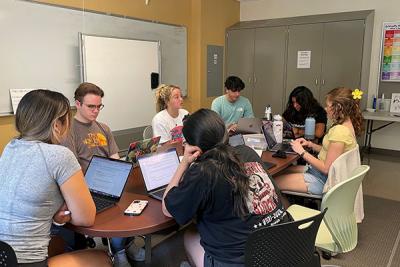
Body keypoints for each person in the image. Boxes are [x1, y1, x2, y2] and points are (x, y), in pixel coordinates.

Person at [162, 109, 291, 266]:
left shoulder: (203, 171)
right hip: (286, 250)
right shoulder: (247, 152)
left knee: (190, 235)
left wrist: (184, 163)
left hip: (244, 261)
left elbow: (167, 209)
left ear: (194, 146)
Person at [0, 89, 111, 267]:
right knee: (104, 258)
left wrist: (54, 214)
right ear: (56, 125)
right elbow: (86, 218)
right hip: (27, 262)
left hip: (3, 257)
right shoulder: (59, 155)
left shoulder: (10, 147)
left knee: (60, 243)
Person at [61, 82, 144, 266]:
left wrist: (126, 167)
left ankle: (126, 242)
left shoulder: (103, 128)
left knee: (133, 203)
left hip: (109, 182)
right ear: (78, 104)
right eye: (91, 106)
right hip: (85, 186)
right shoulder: (69, 132)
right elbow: (72, 171)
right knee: (114, 214)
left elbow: (115, 158)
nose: (96, 111)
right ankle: (119, 249)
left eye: (99, 106)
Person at [274, 87, 363, 196]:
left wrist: (302, 151)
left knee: (271, 182)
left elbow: (326, 168)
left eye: (328, 106)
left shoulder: (340, 132)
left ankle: (282, 211)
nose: (325, 109)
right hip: (320, 173)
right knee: (278, 173)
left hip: (322, 180)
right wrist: (310, 144)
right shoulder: (347, 126)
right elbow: (331, 152)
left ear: (338, 108)